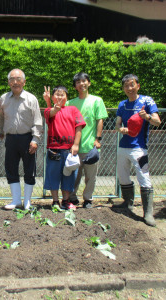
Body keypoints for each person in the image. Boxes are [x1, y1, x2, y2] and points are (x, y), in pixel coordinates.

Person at [113, 74, 161, 227]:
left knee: (144, 177)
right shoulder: (122, 104)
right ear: (123, 88)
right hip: (123, 146)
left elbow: (157, 122)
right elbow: (117, 125)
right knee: (123, 175)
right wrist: (122, 129)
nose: (129, 88)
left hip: (140, 148)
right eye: (126, 86)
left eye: (132, 85)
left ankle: (148, 213)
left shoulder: (147, 101)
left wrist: (146, 116)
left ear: (138, 86)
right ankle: (128, 203)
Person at [0, 69, 43, 210]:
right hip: (10, 139)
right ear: (8, 82)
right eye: (12, 79)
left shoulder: (31, 98)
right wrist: (1, 130)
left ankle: (27, 202)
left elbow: (38, 121)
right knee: (11, 168)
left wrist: (35, 139)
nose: (15, 82)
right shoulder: (3, 98)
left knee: (29, 170)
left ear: (24, 82)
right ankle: (16, 200)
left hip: (28, 139)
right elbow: (1, 116)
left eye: (18, 79)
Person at [65, 72, 108, 208]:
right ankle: (72, 198)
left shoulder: (97, 100)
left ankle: (88, 199)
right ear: (75, 86)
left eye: (84, 81)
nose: (81, 84)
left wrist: (98, 139)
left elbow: (99, 120)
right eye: (78, 82)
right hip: (74, 147)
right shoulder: (69, 103)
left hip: (90, 147)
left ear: (88, 83)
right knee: (74, 176)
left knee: (90, 177)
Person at [43, 86, 86, 210]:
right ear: (52, 97)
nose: (59, 97)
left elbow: (79, 127)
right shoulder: (48, 110)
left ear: (66, 97)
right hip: (54, 149)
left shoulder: (73, 109)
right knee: (53, 175)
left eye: (62, 95)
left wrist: (76, 144)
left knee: (69, 175)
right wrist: (52, 107)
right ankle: (55, 202)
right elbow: (51, 113)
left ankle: (66, 201)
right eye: (57, 94)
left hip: (69, 150)